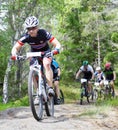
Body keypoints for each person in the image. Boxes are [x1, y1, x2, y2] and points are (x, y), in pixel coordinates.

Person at [11, 16, 61, 96]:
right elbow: (16, 47)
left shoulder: (43, 33)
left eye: (33, 28)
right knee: (32, 70)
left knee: (46, 64)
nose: (31, 31)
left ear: (37, 27)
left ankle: (50, 88)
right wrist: (14, 54)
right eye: (28, 29)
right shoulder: (26, 36)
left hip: (45, 52)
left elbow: (56, 43)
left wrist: (56, 49)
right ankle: (38, 93)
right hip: (34, 53)